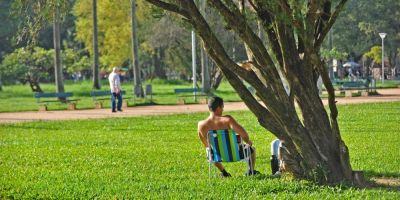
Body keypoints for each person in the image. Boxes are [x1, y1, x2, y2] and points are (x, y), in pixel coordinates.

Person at [197, 96, 259, 177]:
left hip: (216, 156)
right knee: (252, 149)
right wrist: (248, 142)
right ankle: (251, 171)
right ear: (219, 108)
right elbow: (244, 135)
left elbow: (206, 145)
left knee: (210, 151)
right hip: (235, 154)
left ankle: (224, 173)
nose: (223, 110)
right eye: (222, 107)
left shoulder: (201, 125)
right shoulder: (227, 120)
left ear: (209, 108)